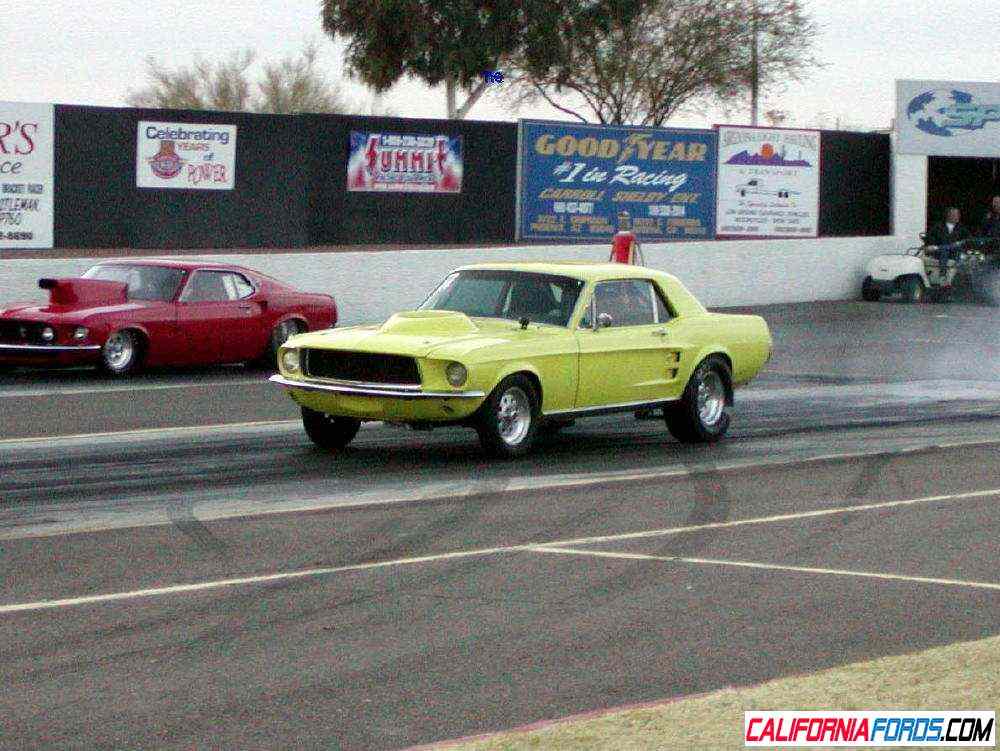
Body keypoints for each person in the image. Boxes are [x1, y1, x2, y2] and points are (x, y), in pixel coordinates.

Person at [925, 207, 970, 276]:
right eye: (955, 215)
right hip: (939, 253)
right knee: (944, 251)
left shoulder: (961, 228)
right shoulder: (938, 227)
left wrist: (961, 243)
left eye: (958, 215)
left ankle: (959, 275)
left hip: (954, 252)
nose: (957, 217)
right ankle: (943, 274)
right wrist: (931, 246)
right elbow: (930, 239)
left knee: (957, 251)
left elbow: (968, 239)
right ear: (948, 215)